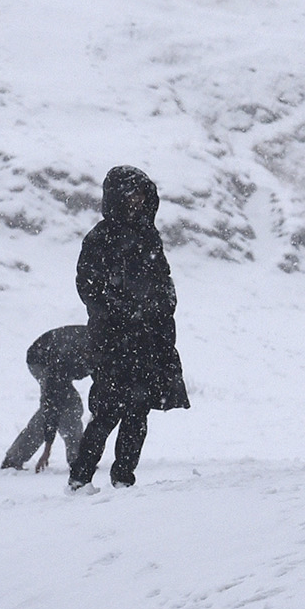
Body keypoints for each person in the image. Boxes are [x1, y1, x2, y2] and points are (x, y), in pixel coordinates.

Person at [69, 167, 188, 489]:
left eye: (141, 194)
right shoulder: (100, 237)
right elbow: (88, 288)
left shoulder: (149, 234)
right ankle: (80, 478)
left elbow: (163, 281)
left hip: (147, 339)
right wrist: (119, 312)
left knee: (138, 413)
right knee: (107, 411)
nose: (136, 201)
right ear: (116, 197)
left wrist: (160, 309)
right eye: (130, 194)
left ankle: (123, 478)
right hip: (112, 340)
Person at [0, 323, 91, 471]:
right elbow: (51, 404)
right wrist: (47, 449)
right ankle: (14, 459)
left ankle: (79, 458)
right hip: (40, 359)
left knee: (70, 407)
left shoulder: (106, 348)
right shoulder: (66, 357)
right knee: (67, 407)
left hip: (58, 359)